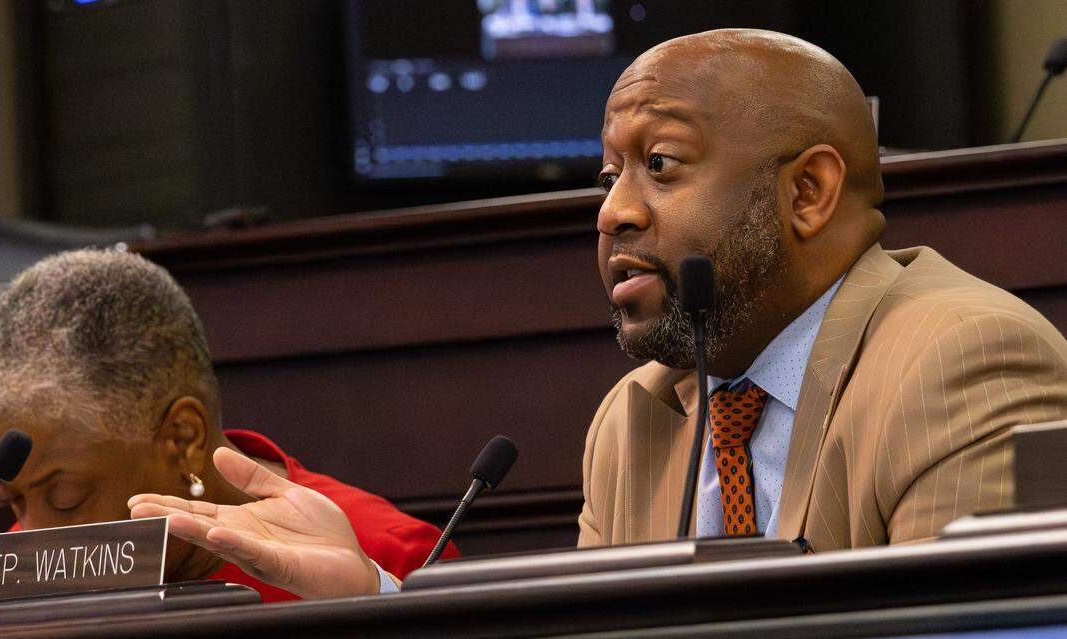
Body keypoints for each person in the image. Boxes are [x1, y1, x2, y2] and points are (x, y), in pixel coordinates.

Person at [129, 29, 1067, 596]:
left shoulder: (959, 359)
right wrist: (372, 595)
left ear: (809, 191)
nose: (613, 209)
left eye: (660, 165)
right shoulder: (639, 419)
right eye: (608, 173)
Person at [0, 248, 455, 602]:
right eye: (15, 501)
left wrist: (371, 600)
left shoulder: (394, 560)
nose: (35, 537)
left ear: (183, 439)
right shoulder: (15, 569)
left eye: (65, 496)